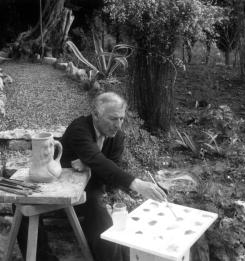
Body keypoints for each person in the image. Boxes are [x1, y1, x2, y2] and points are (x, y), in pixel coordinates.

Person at [60, 91, 168, 261]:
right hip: (62, 190)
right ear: (96, 115)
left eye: (122, 119)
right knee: (22, 208)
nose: (118, 125)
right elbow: (101, 164)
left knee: (111, 220)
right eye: (113, 118)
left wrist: (89, 163)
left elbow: (109, 178)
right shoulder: (79, 128)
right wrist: (136, 183)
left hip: (92, 191)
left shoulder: (117, 137)